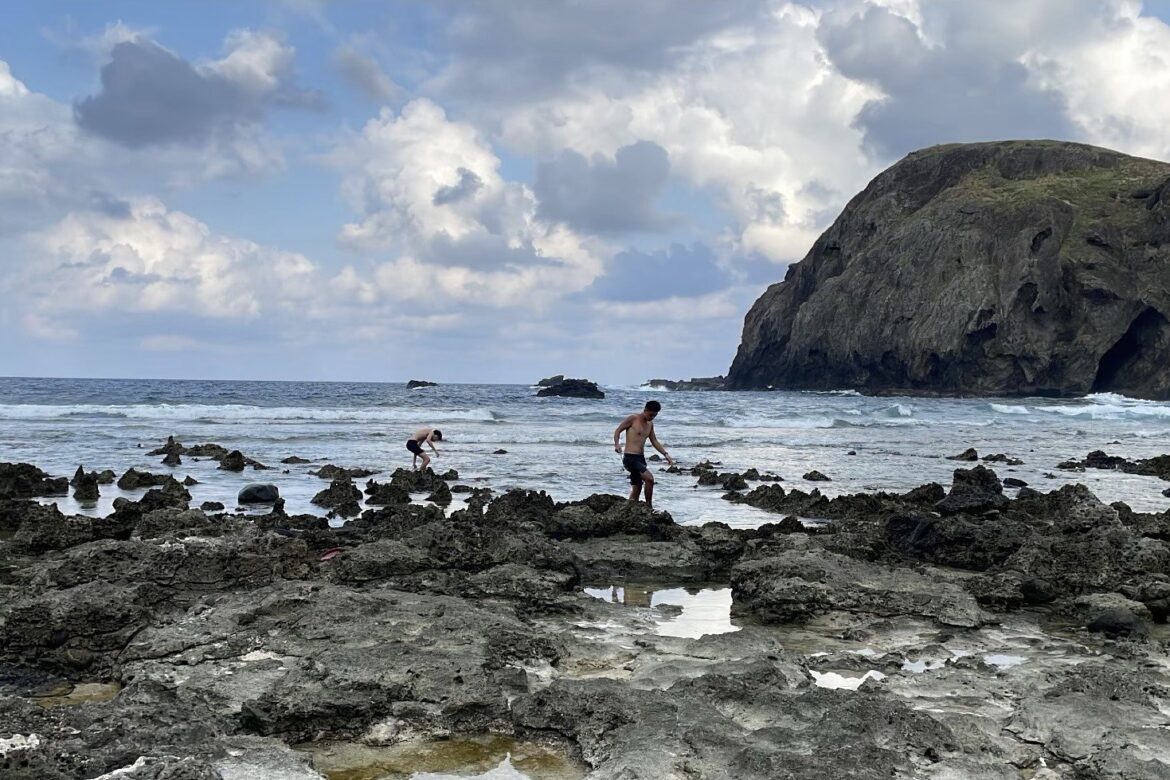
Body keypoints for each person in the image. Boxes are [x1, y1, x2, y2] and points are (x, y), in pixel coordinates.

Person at [613, 400, 674, 510]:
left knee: (637, 488)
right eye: (651, 415)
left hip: (640, 459)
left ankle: (629, 511)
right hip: (630, 458)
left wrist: (666, 454)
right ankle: (649, 507)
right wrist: (617, 444)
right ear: (645, 410)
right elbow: (618, 430)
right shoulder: (633, 419)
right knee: (649, 479)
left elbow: (654, 441)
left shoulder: (650, 424)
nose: (652, 418)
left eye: (655, 416)